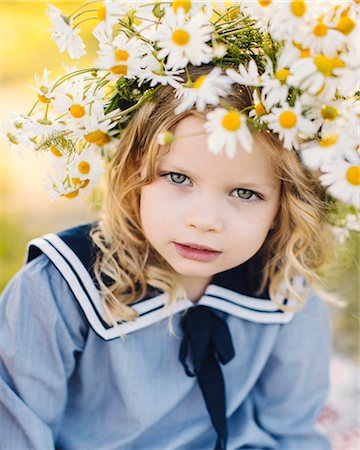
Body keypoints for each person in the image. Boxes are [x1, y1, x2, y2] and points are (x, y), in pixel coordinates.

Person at [1, 1, 358, 449]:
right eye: (178, 178)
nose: (204, 220)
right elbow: (16, 428)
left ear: (284, 208)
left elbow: (290, 433)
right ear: (134, 174)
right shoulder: (58, 288)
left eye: (245, 193)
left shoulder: (285, 293)